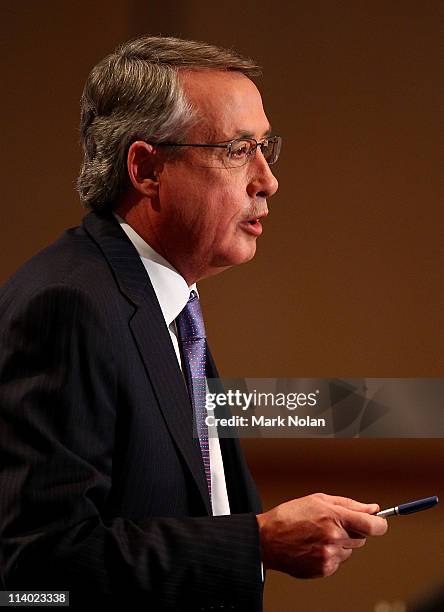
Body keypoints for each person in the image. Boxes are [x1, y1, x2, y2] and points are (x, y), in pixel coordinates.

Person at [0, 36, 387, 610]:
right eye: (237, 150)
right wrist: (255, 543)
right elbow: (34, 574)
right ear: (147, 168)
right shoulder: (69, 305)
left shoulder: (169, 306)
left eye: (265, 147)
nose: (267, 180)